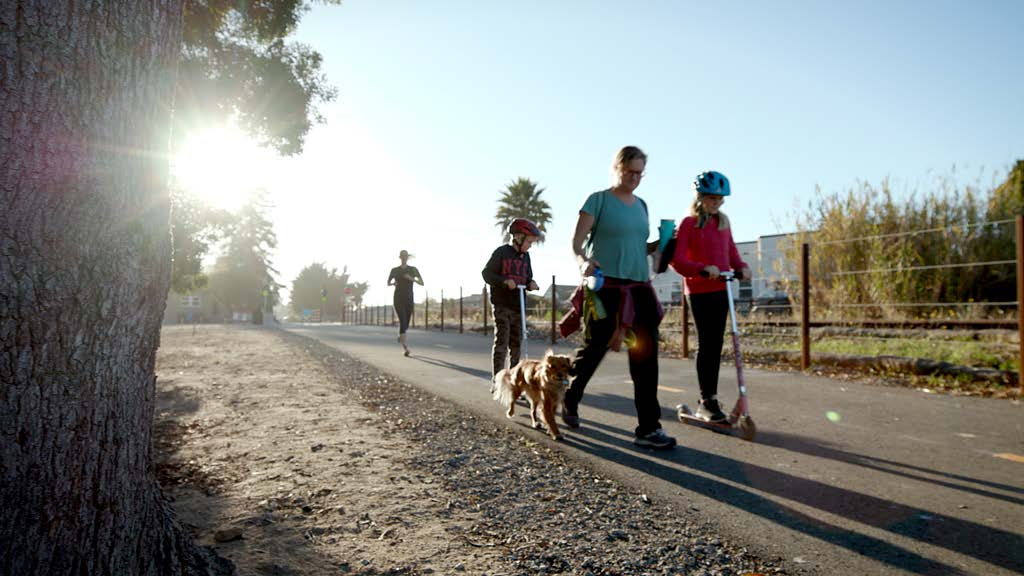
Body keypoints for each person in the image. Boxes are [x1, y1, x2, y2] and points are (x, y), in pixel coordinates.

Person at [563, 146, 676, 449]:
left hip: (639, 288)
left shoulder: (642, 206)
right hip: (606, 287)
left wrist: (662, 244)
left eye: (640, 173)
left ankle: (649, 429)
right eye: (630, 171)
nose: (635, 178)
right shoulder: (597, 200)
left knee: (645, 358)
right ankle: (570, 398)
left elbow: (638, 247)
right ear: (617, 168)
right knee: (594, 349)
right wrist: (583, 262)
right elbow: (576, 244)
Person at [669, 171, 751, 423]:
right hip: (699, 291)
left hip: (722, 289)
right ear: (700, 197)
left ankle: (710, 400)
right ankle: (707, 401)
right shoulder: (689, 223)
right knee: (707, 345)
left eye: (719, 199)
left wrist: (742, 267)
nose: (716, 203)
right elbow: (678, 260)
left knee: (716, 345)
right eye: (711, 198)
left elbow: (731, 253)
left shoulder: (723, 223)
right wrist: (702, 269)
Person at [482, 218, 541, 383]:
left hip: (518, 306)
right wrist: (504, 281)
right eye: (529, 241)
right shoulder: (501, 253)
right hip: (502, 305)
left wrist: (531, 283)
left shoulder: (526, 257)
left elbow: (527, 277)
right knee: (502, 341)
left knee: (516, 345)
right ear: (518, 237)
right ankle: (498, 380)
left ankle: (515, 381)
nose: (530, 245)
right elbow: (486, 274)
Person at [387, 250, 424, 356]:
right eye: (402, 256)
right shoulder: (394, 270)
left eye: (405, 256)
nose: (404, 258)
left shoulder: (413, 269)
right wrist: (393, 283)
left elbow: (422, 283)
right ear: (400, 258)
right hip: (398, 298)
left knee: (406, 324)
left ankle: (401, 336)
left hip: (409, 298)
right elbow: (388, 282)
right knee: (402, 320)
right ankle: (405, 348)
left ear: (407, 258)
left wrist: (411, 279)